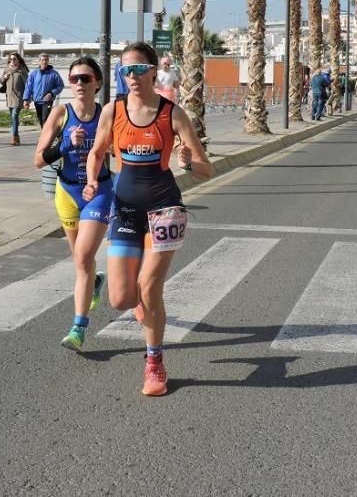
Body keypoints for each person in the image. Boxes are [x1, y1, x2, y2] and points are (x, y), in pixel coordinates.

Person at [84, 42, 214, 397]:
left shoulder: (172, 114)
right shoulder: (114, 110)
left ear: (154, 71)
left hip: (165, 208)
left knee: (149, 286)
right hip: (125, 209)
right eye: (126, 70)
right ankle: (143, 308)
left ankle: (154, 361)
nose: (132, 76)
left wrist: (188, 161)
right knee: (121, 299)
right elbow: (97, 152)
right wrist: (93, 180)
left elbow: (206, 169)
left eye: (139, 69)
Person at [34, 56, 112, 351]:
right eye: (74, 78)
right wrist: (65, 145)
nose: (79, 83)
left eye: (86, 78)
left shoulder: (107, 115)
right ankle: (93, 283)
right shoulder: (60, 114)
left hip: (99, 191)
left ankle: (78, 328)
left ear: (98, 82)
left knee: (81, 259)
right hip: (66, 193)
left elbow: (122, 148)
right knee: (82, 261)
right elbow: (39, 159)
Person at [23, 53, 64, 127]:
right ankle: (47, 135)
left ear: (48, 61)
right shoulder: (34, 74)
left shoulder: (54, 74)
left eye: (46, 60)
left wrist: (51, 93)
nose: (44, 62)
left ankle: (45, 137)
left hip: (47, 101)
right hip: (37, 100)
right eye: (42, 60)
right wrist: (26, 99)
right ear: (39, 61)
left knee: (45, 119)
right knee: (41, 120)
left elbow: (60, 85)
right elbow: (28, 87)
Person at [1, 52, 28, 146]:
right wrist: (4, 77)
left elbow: (27, 85)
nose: (12, 60)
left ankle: (14, 138)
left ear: (18, 60)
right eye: (11, 59)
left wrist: (27, 98)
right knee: (13, 118)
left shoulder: (22, 70)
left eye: (14, 59)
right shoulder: (7, 69)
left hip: (19, 97)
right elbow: (1, 81)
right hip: (9, 97)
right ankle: (16, 137)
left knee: (14, 116)